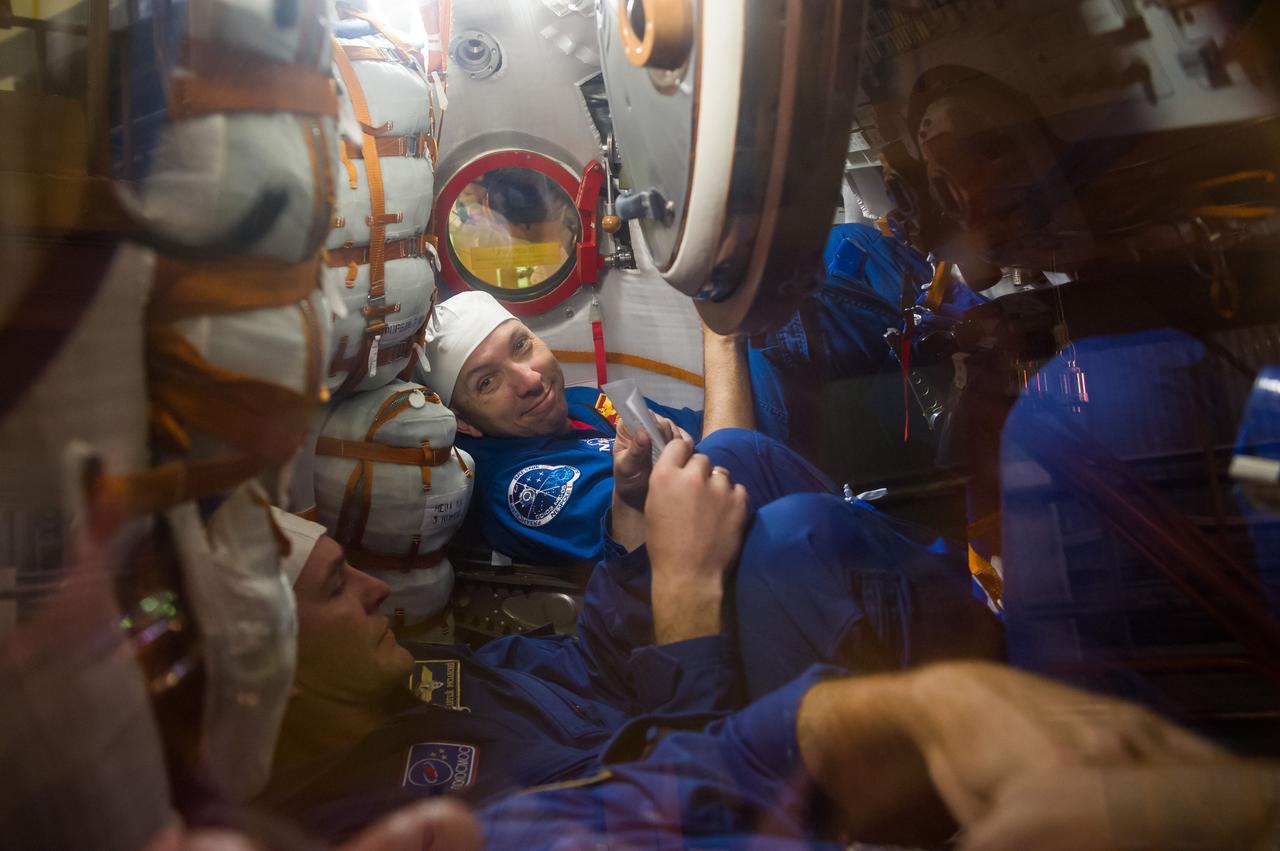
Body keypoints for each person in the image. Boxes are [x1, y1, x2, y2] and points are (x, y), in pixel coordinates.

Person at [262, 431, 1004, 841]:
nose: (377, 588)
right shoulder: (377, 825)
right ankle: (994, 735)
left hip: (661, 716)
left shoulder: (406, 685)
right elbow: (672, 820)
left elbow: (585, 667)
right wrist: (684, 590)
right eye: (336, 587)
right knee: (792, 542)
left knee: (736, 454)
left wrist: (633, 528)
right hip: (706, 780)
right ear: (275, 667)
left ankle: (981, 609)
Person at [421, 289, 755, 567]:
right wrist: (722, 338)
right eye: (488, 382)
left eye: (521, 345)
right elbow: (703, 526)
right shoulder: (518, 486)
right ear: (464, 421)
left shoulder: (579, 401)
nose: (531, 379)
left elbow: (703, 426)